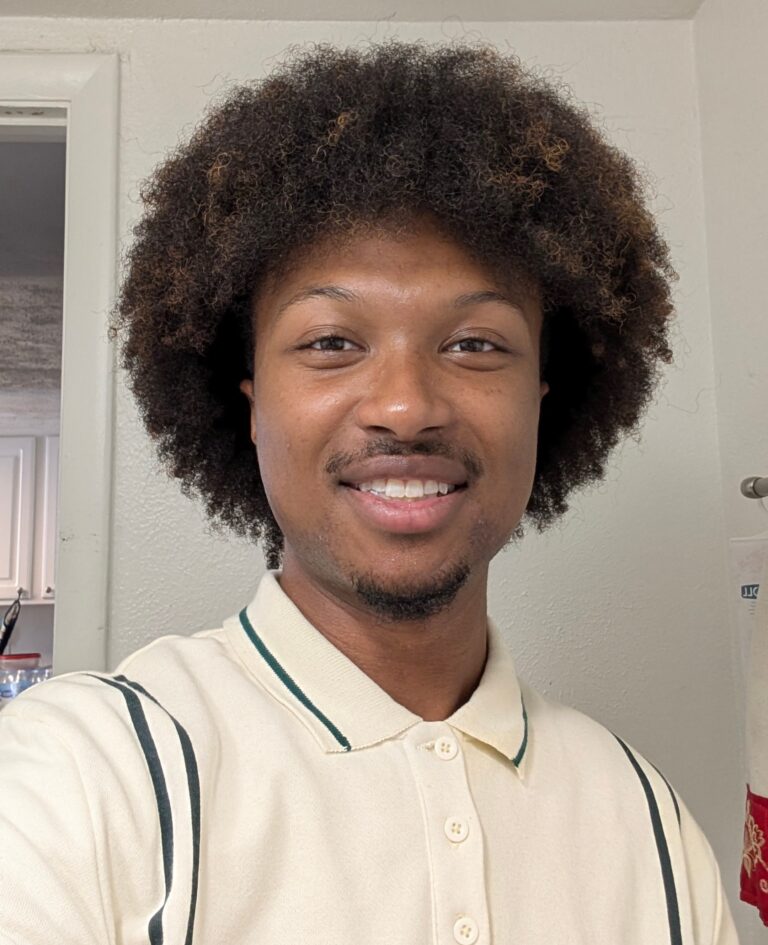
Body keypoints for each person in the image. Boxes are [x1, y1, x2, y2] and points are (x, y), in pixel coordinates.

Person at [0, 39, 738, 944]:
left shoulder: (653, 830)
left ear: (544, 400)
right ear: (251, 403)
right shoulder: (83, 776)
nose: (405, 406)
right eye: (331, 342)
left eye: (475, 344)